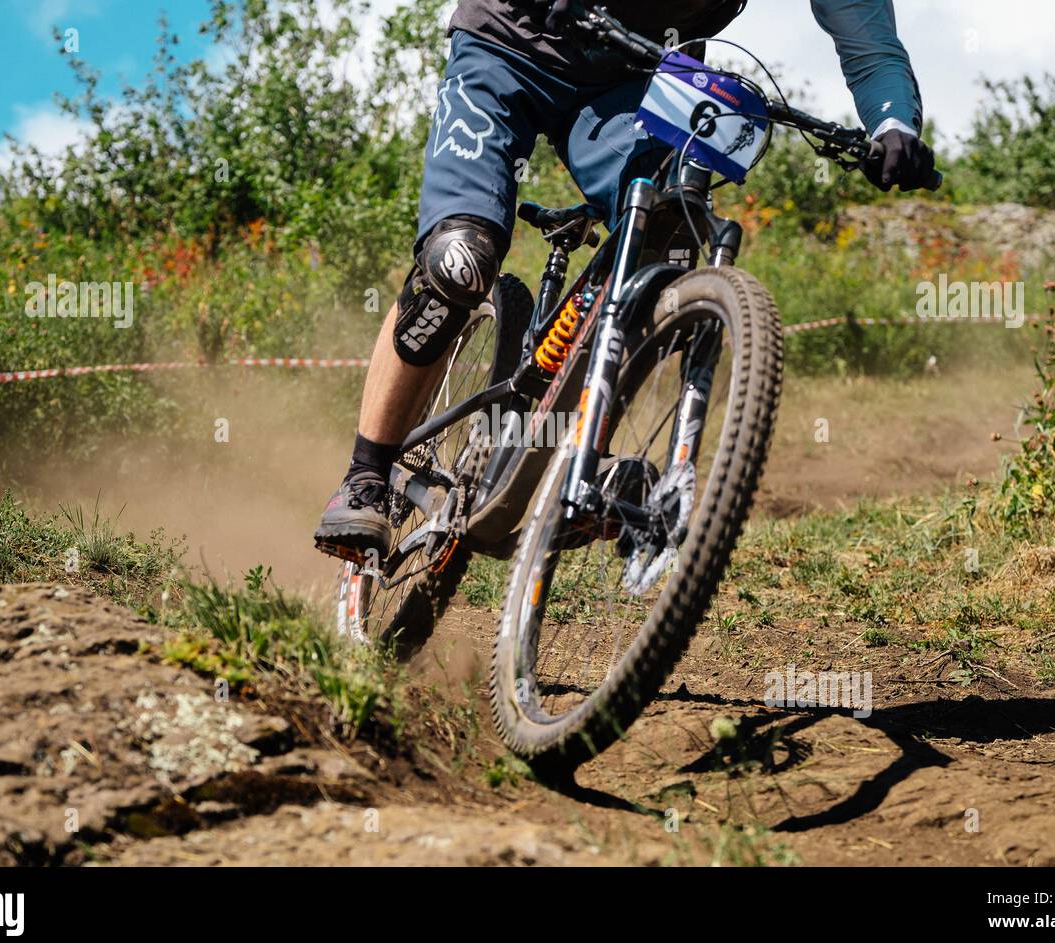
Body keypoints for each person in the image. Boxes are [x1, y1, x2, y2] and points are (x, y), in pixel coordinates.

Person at [314, 0, 935, 558]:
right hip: (508, 42)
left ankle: (586, 458)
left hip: (639, 82)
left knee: (671, 228)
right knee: (459, 262)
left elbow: (868, 38)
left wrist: (892, 124)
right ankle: (366, 476)